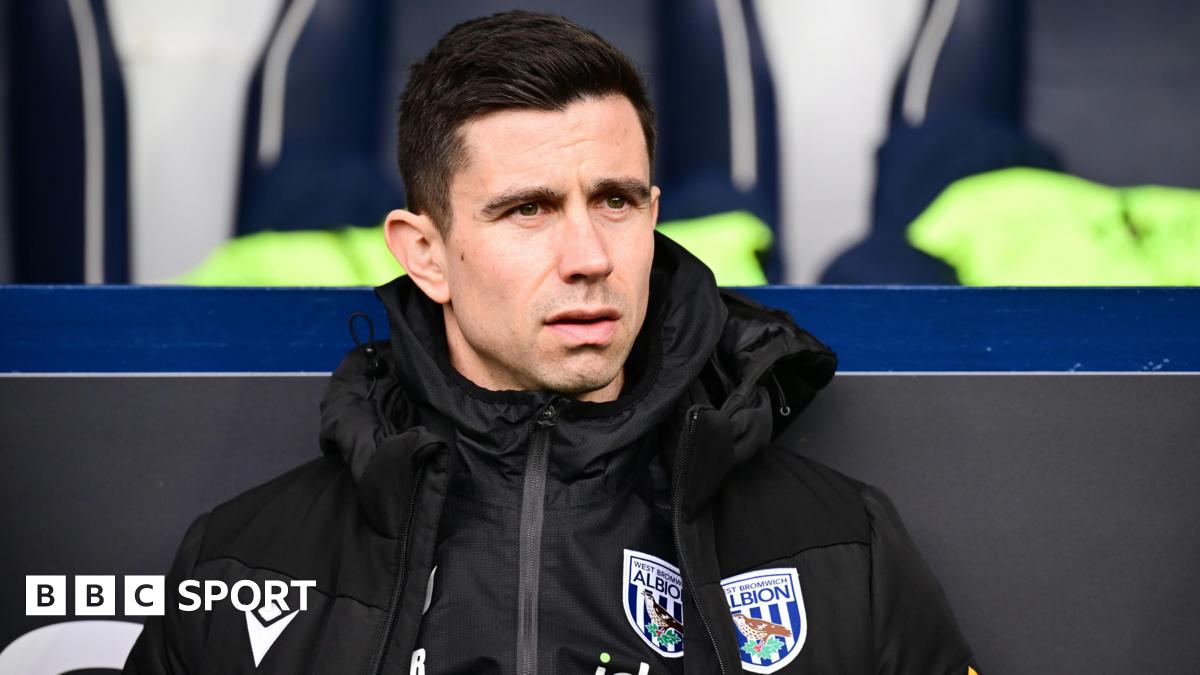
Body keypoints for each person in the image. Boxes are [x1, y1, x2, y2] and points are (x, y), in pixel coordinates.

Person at [125, 11, 976, 674]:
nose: (588, 259)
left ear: (651, 215)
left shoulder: (839, 545)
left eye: (614, 201)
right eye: (527, 209)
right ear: (426, 253)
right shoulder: (244, 561)